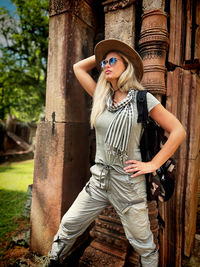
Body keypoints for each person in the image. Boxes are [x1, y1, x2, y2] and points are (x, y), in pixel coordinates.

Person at [47, 39, 186, 266]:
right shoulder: (102, 98)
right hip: (99, 180)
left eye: (113, 60)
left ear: (126, 65)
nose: (106, 65)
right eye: (104, 62)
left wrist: (152, 165)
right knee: (68, 225)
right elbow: (78, 68)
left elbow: (178, 130)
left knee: (143, 243)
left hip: (129, 184)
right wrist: (102, 52)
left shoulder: (142, 98)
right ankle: (50, 260)